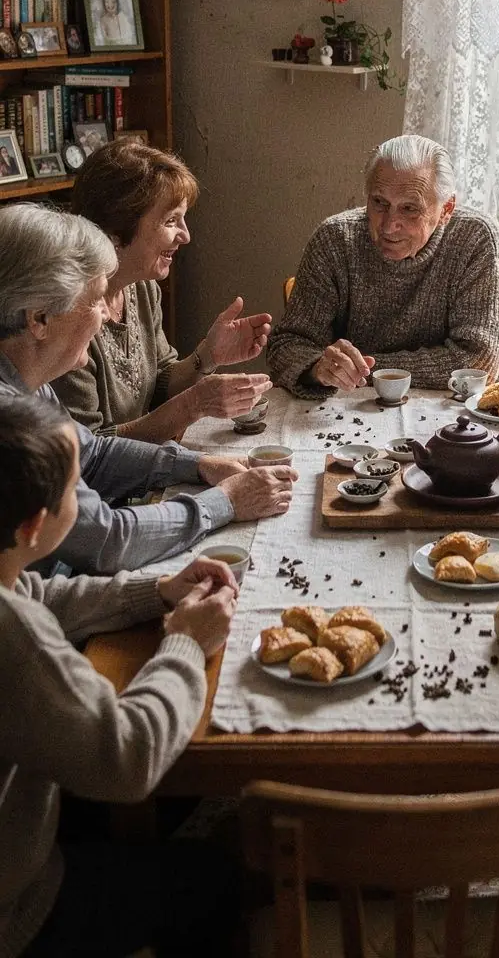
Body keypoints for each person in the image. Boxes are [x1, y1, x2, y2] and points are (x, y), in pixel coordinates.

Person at [0, 395, 240, 958]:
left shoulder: (9, 574)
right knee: (216, 879)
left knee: (188, 796)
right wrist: (186, 642)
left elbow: (45, 592)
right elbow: (128, 757)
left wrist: (156, 591)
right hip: (17, 914)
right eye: (75, 489)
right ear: (37, 524)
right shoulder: (12, 633)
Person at [0, 203, 296, 576]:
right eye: (94, 301)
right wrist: (226, 501)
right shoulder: (10, 416)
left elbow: (92, 454)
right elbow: (106, 540)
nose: (106, 315)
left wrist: (199, 465)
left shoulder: (26, 380)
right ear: (40, 318)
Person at [54, 137, 274, 442]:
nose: (185, 235)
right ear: (116, 230)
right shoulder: (69, 314)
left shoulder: (143, 288)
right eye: (171, 220)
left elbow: (159, 385)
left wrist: (208, 355)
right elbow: (92, 452)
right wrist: (194, 404)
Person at [267, 134, 499, 396]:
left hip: (442, 412)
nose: (389, 225)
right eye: (380, 203)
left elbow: (476, 361)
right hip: (344, 408)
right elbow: (287, 346)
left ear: (446, 209)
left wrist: (364, 369)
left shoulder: (476, 238)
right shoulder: (335, 239)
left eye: (409, 209)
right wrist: (317, 368)